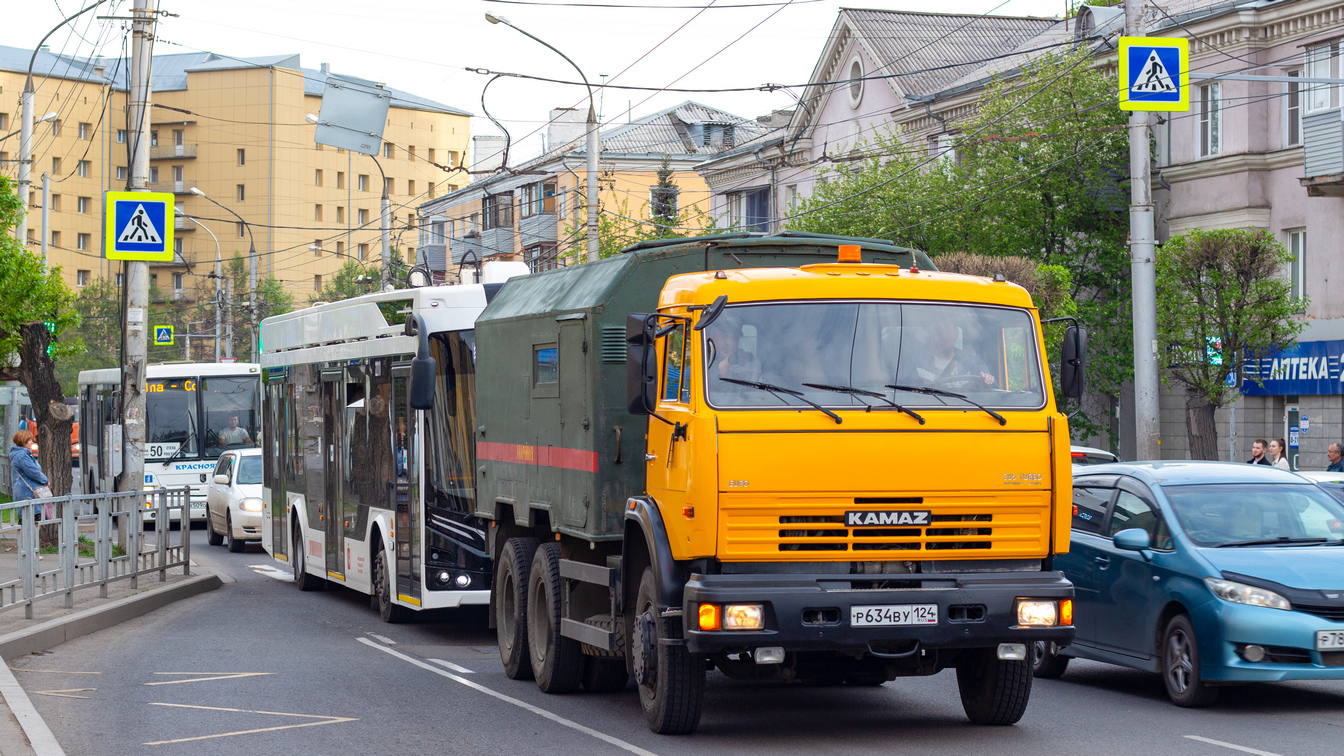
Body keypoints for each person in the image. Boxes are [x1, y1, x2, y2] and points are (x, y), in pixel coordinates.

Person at [912, 319, 995, 387]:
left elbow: (989, 385)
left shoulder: (971, 360)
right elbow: (907, 393)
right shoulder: (918, 362)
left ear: (955, 334)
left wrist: (987, 378)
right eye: (932, 333)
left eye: (941, 333)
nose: (936, 338)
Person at [9, 430, 48, 520]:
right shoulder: (22, 456)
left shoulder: (19, 455)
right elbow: (33, 472)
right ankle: (32, 535)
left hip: (23, 492)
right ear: (24, 441)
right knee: (34, 520)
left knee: (26, 520)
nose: (31, 442)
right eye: (29, 440)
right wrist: (45, 480)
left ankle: (29, 534)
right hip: (29, 493)